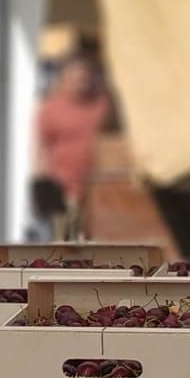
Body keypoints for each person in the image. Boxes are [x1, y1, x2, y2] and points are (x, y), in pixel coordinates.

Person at [36, 44, 114, 236]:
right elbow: (42, 149)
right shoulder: (51, 108)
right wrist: (47, 187)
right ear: (65, 77)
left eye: (86, 75)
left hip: (101, 190)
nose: (82, 80)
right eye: (76, 75)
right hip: (65, 191)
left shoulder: (104, 105)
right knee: (66, 241)